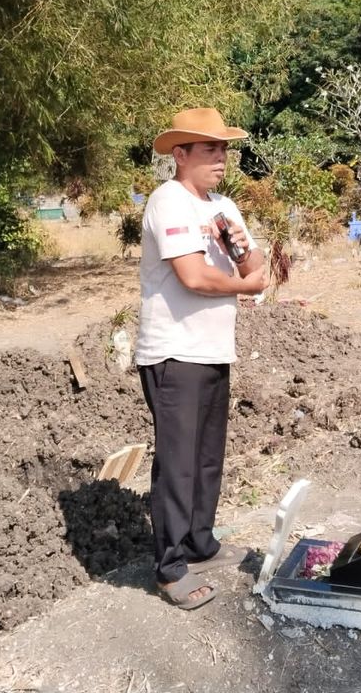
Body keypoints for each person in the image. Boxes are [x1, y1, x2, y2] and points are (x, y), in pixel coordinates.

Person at [136, 107, 268, 608]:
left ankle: (199, 542)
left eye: (224, 149)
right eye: (209, 149)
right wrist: (245, 284)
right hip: (174, 350)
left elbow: (254, 265)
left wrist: (240, 253)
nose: (221, 158)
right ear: (181, 154)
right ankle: (170, 570)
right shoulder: (168, 201)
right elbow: (192, 277)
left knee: (207, 456)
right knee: (178, 463)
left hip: (212, 350)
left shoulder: (224, 206)